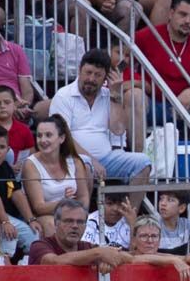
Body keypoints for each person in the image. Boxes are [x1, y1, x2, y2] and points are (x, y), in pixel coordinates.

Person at [49, 49, 152, 198]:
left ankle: (131, 217)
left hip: (106, 159)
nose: (91, 79)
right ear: (80, 70)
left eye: (98, 75)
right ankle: (82, 217)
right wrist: (92, 160)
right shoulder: (63, 96)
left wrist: (115, 94)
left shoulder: (108, 95)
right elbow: (62, 136)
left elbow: (118, 130)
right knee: (85, 164)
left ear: (106, 77)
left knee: (143, 162)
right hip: (73, 159)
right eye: (88, 73)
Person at [124, 0, 190, 143]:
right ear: (171, 13)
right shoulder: (147, 36)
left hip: (183, 106)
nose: (187, 21)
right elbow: (121, 63)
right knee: (134, 95)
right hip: (151, 103)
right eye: (183, 14)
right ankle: (141, 161)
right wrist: (139, 82)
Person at [0, 125, 39, 258]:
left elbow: (17, 194)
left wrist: (31, 219)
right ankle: (3, 266)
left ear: (8, 150)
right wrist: (5, 222)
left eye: (2, 147)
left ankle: (27, 267)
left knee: (34, 234)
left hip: (5, 216)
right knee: (10, 233)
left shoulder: (5, 167)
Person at [22, 115, 90, 240]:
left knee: (86, 225)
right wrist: (64, 203)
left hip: (74, 213)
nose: (43, 140)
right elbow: (38, 207)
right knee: (53, 226)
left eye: (48, 135)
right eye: (39, 135)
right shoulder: (31, 164)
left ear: (61, 138)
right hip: (47, 215)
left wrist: (78, 214)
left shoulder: (75, 162)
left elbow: (83, 197)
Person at [28, 199, 134, 272]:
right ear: (56, 223)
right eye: (68, 221)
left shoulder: (87, 247)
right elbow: (55, 262)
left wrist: (110, 259)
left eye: (80, 222)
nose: (75, 226)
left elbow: (128, 258)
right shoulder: (40, 245)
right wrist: (100, 253)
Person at [127, 215, 190, 281]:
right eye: (144, 236)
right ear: (134, 239)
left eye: (154, 236)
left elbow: (184, 258)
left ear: (159, 239)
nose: (150, 241)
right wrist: (173, 260)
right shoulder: (126, 256)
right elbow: (135, 259)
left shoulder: (163, 256)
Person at [0, 86, 33, 164]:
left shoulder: (24, 130)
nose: (2, 106)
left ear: (15, 105)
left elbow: (31, 154)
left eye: (7, 102)